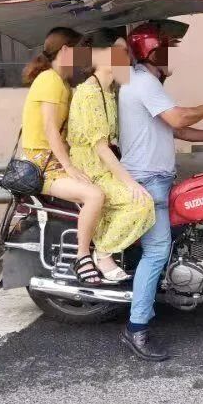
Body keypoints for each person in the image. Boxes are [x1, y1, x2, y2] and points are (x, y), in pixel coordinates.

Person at [117, 20, 203, 362]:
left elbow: (178, 130)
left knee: (174, 237)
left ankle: (161, 289)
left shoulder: (144, 82)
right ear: (150, 52)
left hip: (155, 177)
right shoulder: (143, 82)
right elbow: (178, 119)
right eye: (165, 49)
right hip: (148, 180)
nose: (170, 57)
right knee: (157, 251)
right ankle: (136, 329)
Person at [19, 27, 108, 286]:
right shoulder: (49, 80)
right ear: (66, 50)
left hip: (54, 161)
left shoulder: (61, 82)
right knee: (94, 195)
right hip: (44, 167)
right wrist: (69, 167)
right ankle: (82, 257)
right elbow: (50, 129)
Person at [66, 36, 155, 283]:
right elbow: (102, 148)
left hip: (106, 166)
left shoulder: (109, 90)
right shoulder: (89, 93)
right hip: (92, 169)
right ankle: (103, 253)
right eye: (120, 51)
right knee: (141, 203)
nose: (127, 57)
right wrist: (130, 183)